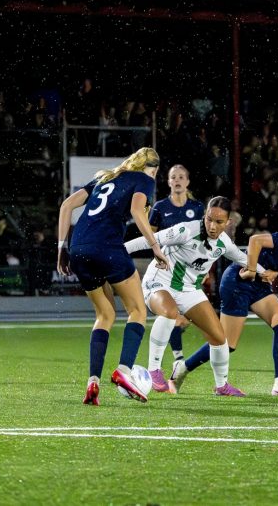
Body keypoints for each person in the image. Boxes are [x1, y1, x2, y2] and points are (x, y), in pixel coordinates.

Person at [125, 196, 276, 396]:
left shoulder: (223, 243)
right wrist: (117, 253)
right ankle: (154, 370)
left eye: (219, 222)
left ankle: (222, 386)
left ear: (228, 222)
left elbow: (242, 258)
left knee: (219, 338)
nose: (212, 226)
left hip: (189, 290)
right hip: (160, 281)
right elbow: (150, 239)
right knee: (169, 312)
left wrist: (264, 272)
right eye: (209, 219)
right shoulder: (186, 230)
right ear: (204, 216)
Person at [57, 147, 169, 405]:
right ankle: (124, 371)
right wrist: (155, 248)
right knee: (137, 311)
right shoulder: (144, 179)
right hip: (107, 247)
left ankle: (92, 382)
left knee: (105, 315)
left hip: (78, 249)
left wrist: (61, 248)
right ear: (152, 169)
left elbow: (66, 205)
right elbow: (137, 212)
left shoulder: (105, 177)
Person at [174, 223, 278, 396]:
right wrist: (252, 270)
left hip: (258, 285)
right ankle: (183, 368)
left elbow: (275, 259)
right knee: (227, 344)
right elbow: (255, 240)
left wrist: (274, 272)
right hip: (237, 282)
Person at [148, 164, 206, 372]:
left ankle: (168, 343)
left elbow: (204, 238)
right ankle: (177, 358)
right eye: (174, 177)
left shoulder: (197, 208)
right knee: (173, 316)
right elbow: (150, 235)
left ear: (187, 181)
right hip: (168, 268)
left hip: (191, 270)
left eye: (181, 177)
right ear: (169, 182)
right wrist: (158, 255)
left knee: (186, 319)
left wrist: (204, 268)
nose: (177, 180)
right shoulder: (160, 207)